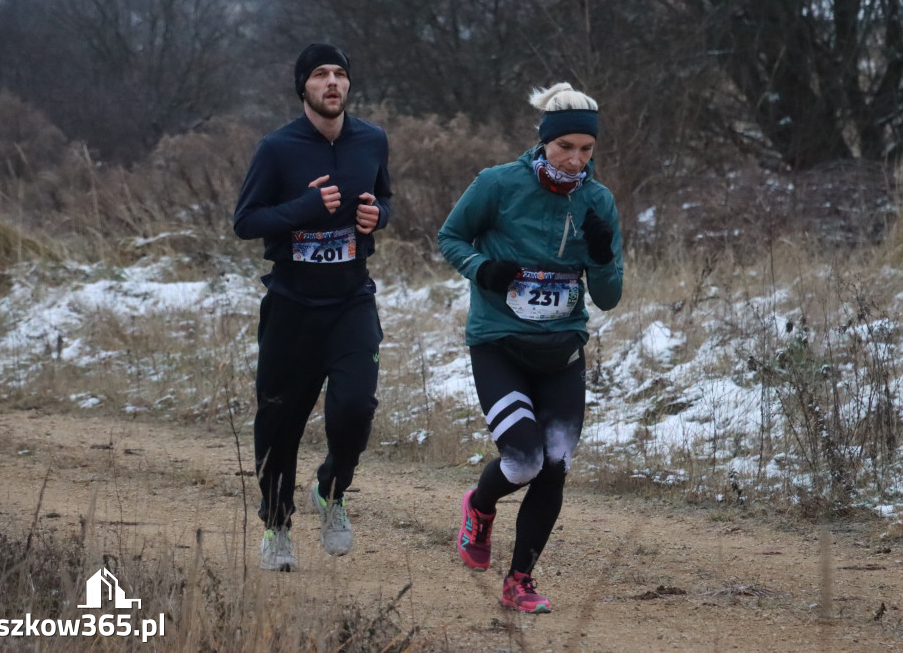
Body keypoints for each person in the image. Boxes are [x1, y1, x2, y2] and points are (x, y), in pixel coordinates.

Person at [437, 83, 623, 612]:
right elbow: (450, 237)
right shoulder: (497, 184)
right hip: (499, 343)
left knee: (555, 463)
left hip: (561, 351)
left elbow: (609, 296)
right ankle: (479, 505)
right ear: (544, 142)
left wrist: (604, 251)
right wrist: (482, 268)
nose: (575, 159)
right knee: (522, 460)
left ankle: (520, 579)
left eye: (587, 150)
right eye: (565, 146)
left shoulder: (598, 201)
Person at [233, 43, 392, 571]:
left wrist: (377, 216)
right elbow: (246, 221)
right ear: (303, 86)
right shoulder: (277, 149)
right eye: (321, 74)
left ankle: (331, 489)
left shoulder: (372, 140)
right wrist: (302, 209)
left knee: (354, 409)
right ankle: (277, 525)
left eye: (340, 74)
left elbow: (384, 198)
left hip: (351, 301)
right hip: (292, 305)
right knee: (280, 423)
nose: (332, 83)